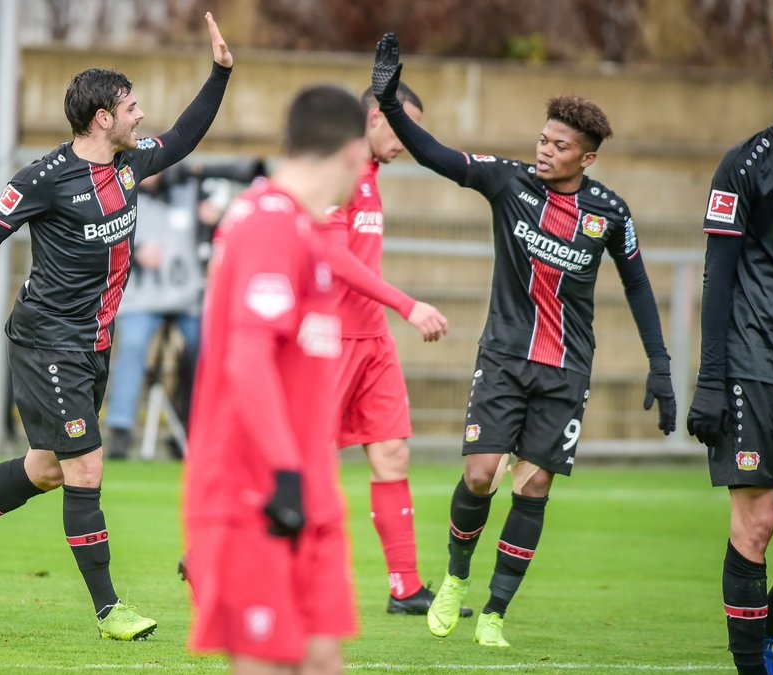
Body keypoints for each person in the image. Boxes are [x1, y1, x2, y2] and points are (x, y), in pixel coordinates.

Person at [0, 13, 233, 641]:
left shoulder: (130, 167)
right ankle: (111, 611)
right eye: (131, 107)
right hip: (47, 340)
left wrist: (219, 74)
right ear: (103, 118)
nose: (142, 116)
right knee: (85, 469)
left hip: (91, 344)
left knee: (48, 469)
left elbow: (185, 136)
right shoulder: (45, 178)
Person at [370, 33, 676, 648]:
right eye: (543, 138)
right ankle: (456, 579)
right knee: (481, 474)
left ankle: (495, 612)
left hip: (566, 370)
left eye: (560, 146)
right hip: (506, 358)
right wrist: (391, 102)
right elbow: (437, 156)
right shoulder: (507, 183)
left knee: (532, 486)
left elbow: (639, 285)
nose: (544, 151)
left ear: (585, 159)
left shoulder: (609, 213)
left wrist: (660, 365)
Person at [183, 83, 368, 675]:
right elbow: (247, 357)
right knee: (266, 663)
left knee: (321, 657)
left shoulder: (301, 229)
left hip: (306, 490)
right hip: (257, 492)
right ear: (352, 153)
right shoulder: (268, 224)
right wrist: (285, 473)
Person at [322, 83, 468, 617]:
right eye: (404, 125)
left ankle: (404, 587)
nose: (409, 140)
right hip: (331, 342)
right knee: (303, 466)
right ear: (375, 118)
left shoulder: (373, 176)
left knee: (392, 455)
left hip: (372, 341)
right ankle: (223, 556)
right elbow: (336, 259)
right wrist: (408, 306)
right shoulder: (338, 172)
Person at [686, 32, 773, 675]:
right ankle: (751, 666)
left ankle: (764, 629)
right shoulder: (744, 164)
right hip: (756, 369)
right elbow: (717, 273)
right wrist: (711, 379)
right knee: (757, 526)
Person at [104, 160, 261, 460]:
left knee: (205, 349)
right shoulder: (122, 195)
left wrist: (213, 219)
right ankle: (120, 430)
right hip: (141, 297)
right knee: (133, 345)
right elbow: (105, 239)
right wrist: (135, 252)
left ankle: (194, 426)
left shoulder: (189, 190)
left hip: (186, 297)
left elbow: (229, 213)